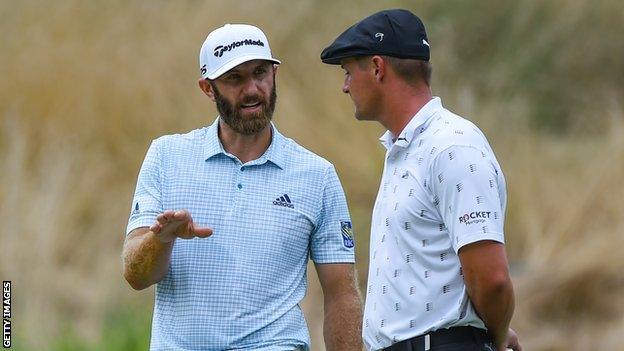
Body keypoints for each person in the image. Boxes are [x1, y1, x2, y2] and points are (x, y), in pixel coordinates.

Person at [122, 23, 363, 351]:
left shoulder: (317, 176)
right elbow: (136, 276)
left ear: (275, 74)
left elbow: (342, 294)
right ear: (208, 88)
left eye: (260, 73)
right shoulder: (166, 157)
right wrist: (160, 239)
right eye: (234, 78)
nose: (252, 89)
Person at [320, 9, 522, 351]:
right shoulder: (404, 149)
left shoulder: (452, 145)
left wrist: (496, 338)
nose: (345, 86)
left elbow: (493, 280)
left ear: (377, 67)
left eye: (348, 72)